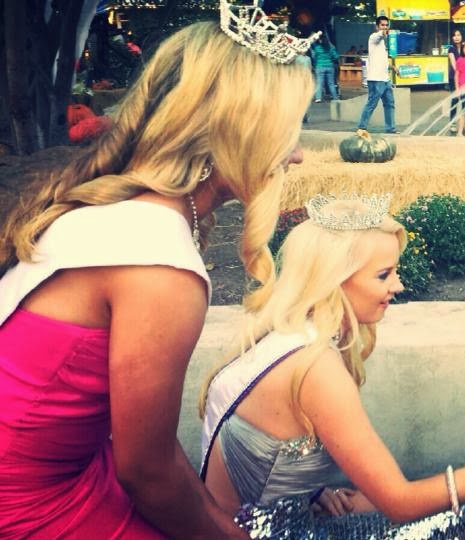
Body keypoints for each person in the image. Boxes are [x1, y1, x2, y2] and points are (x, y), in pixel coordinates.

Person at [0, 11, 315, 538]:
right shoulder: (160, 265)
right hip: (30, 503)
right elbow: (147, 473)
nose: (298, 154)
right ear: (239, 132)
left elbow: (149, 447)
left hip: (70, 467)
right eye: (288, 132)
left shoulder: (132, 210)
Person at [200, 195, 465, 538]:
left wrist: (308, 493)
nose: (399, 284)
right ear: (334, 280)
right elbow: (399, 502)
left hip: (266, 520)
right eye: (383, 274)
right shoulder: (315, 367)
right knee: (455, 526)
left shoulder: (284, 334)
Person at [357, 16, 396, 134]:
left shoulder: (383, 43)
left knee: (390, 104)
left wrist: (392, 67)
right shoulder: (374, 37)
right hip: (375, 79)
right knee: (371, 104)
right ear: (377, 26)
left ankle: (390, 128)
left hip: (385, 79)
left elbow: (381, 60)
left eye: (386, 25)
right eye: (382, 25)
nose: (384, 27)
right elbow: (380, 34)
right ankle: (361, 127)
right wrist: (384, 32)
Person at [310, 33, 340, 102]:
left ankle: (318, 98)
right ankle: (335, 97)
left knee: (319, 83)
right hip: (330, 66)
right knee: (331, 83)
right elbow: (336, 57)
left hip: (320, 67)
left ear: (320, 40)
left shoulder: (317, 48)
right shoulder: (331, 48)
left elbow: (313, 54)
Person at [447, 28, 464, 132]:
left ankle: (464, 122)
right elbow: (454, 64)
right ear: (452, 38)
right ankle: (452, 123)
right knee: (455, 100)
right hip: (454, 77)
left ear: (461, 37)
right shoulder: (451, 49)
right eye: (455, 35)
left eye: (458, 35)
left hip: (464, 78)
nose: (457, 37)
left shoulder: (464, 48)